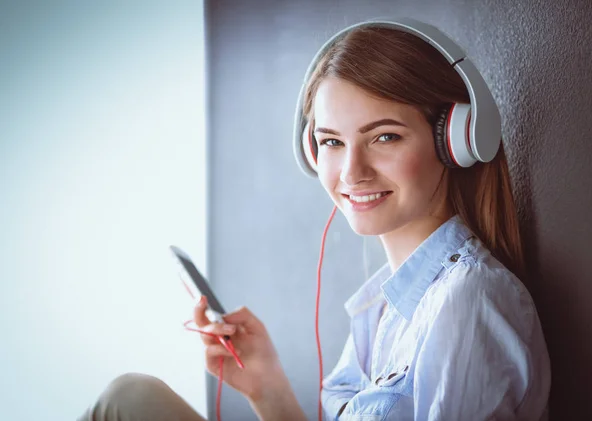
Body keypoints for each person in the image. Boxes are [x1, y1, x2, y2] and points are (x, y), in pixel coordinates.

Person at [78, 19, 551, 421]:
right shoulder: (386, 305)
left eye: (385, 137)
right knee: (130, 395)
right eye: (331, 142)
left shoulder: (466, 301)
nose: (352, 172)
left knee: (128, 399)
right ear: (311, 150)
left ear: (456, 139)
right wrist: (269, 388)